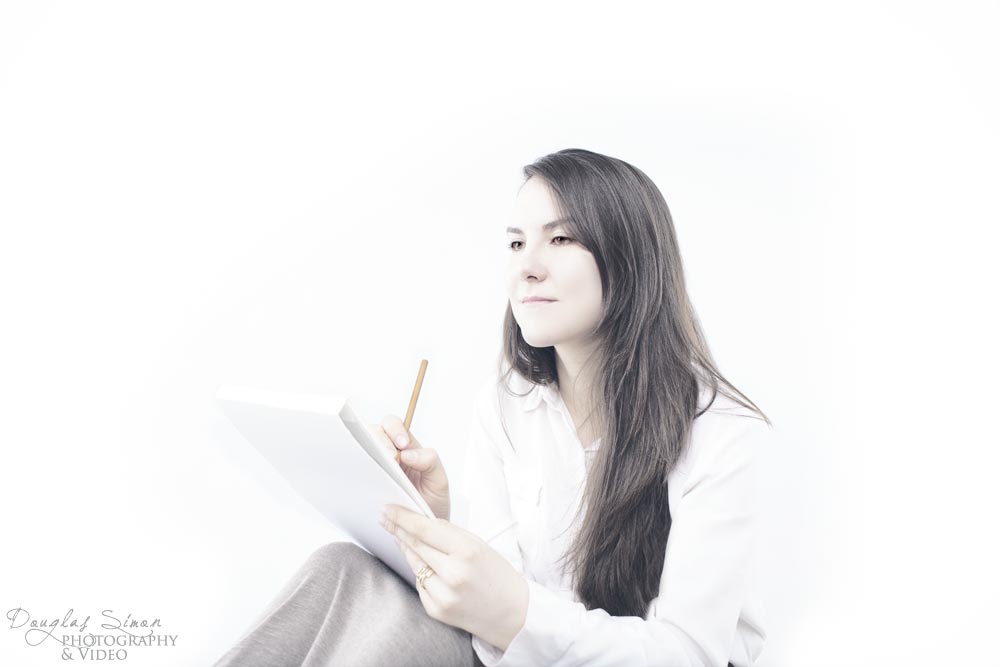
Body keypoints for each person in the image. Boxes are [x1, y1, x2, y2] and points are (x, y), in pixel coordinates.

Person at [212, 148, 771, 667]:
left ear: (630, 258)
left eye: (560, 240)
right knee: (340, 568)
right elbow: (493, 601)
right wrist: (431, 522)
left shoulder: (716, 429)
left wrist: (518, 613)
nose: (527, 267)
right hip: (517, 655)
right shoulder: (507, 404)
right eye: (515, 243)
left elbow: (687, 653)